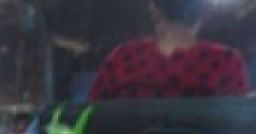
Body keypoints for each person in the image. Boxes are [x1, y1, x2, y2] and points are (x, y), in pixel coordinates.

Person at [90, 0, 249, 99]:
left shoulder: (123, 56)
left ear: (153, 10)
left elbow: (90, 118)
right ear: (205, 13)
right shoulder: (226, 60)